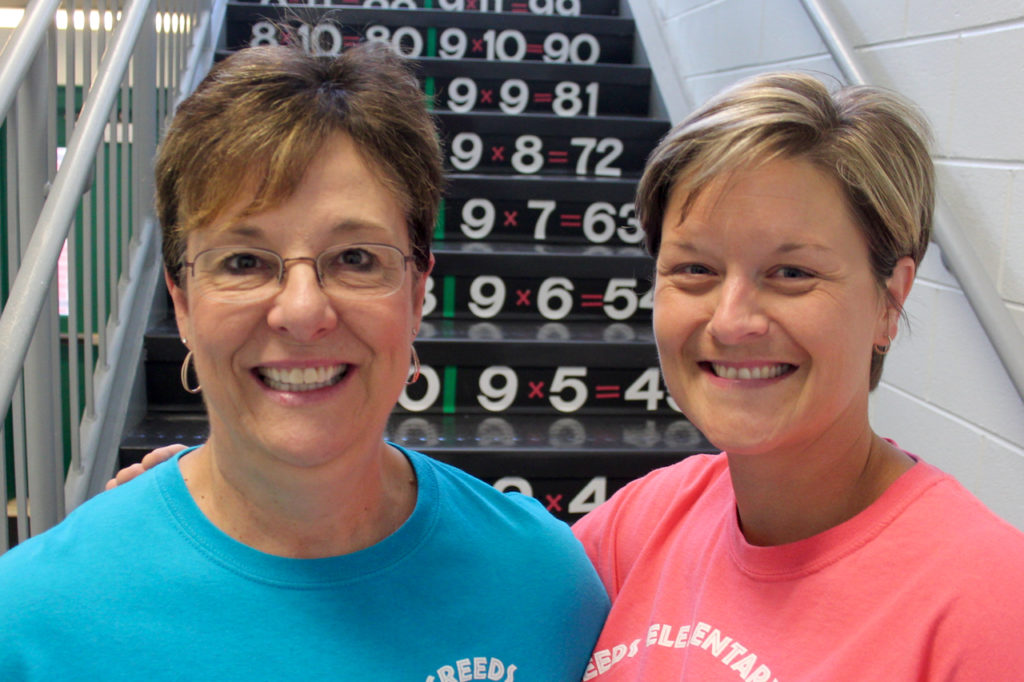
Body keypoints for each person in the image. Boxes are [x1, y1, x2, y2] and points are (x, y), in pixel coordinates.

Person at [0, 43, 608, 680]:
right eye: (243, 262)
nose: (301, 311)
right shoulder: (35, 621)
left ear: (417, 293)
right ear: (181, 301)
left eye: (355, 258)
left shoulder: (543, 582)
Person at [571, 72, 1024, 679]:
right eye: (695, 268)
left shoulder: (988, 606)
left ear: (889, 302)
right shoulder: (640, 524)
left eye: (791, 273)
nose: (731, 322)